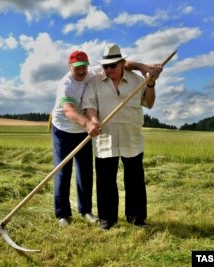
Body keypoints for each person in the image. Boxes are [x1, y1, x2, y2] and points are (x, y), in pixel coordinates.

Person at [51, 49, 161, 227]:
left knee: (86, 173)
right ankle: (64, 214)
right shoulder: (67, 85)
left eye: (83, 66)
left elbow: (128, 68)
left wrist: (144, 70)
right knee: (64, 172)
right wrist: (90, 123)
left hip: (100, 132)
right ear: (70, 66)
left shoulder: (98, 72)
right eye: (76, 67)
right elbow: (71, 109)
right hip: (66, 129)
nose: (81, 70)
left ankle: (88, 211)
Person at [82, 44, 163, 230]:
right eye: (105, 66)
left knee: (134, 179)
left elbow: (149, 103)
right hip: (105, 137)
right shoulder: (95, 82)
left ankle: (136, 218)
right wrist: (93, 121)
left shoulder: (136, 81)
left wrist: (150, 83)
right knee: (105, 181)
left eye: (112, 65)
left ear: (121, 64)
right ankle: (107, 219)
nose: (108, 69)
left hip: (131, 136)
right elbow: (90, 105)